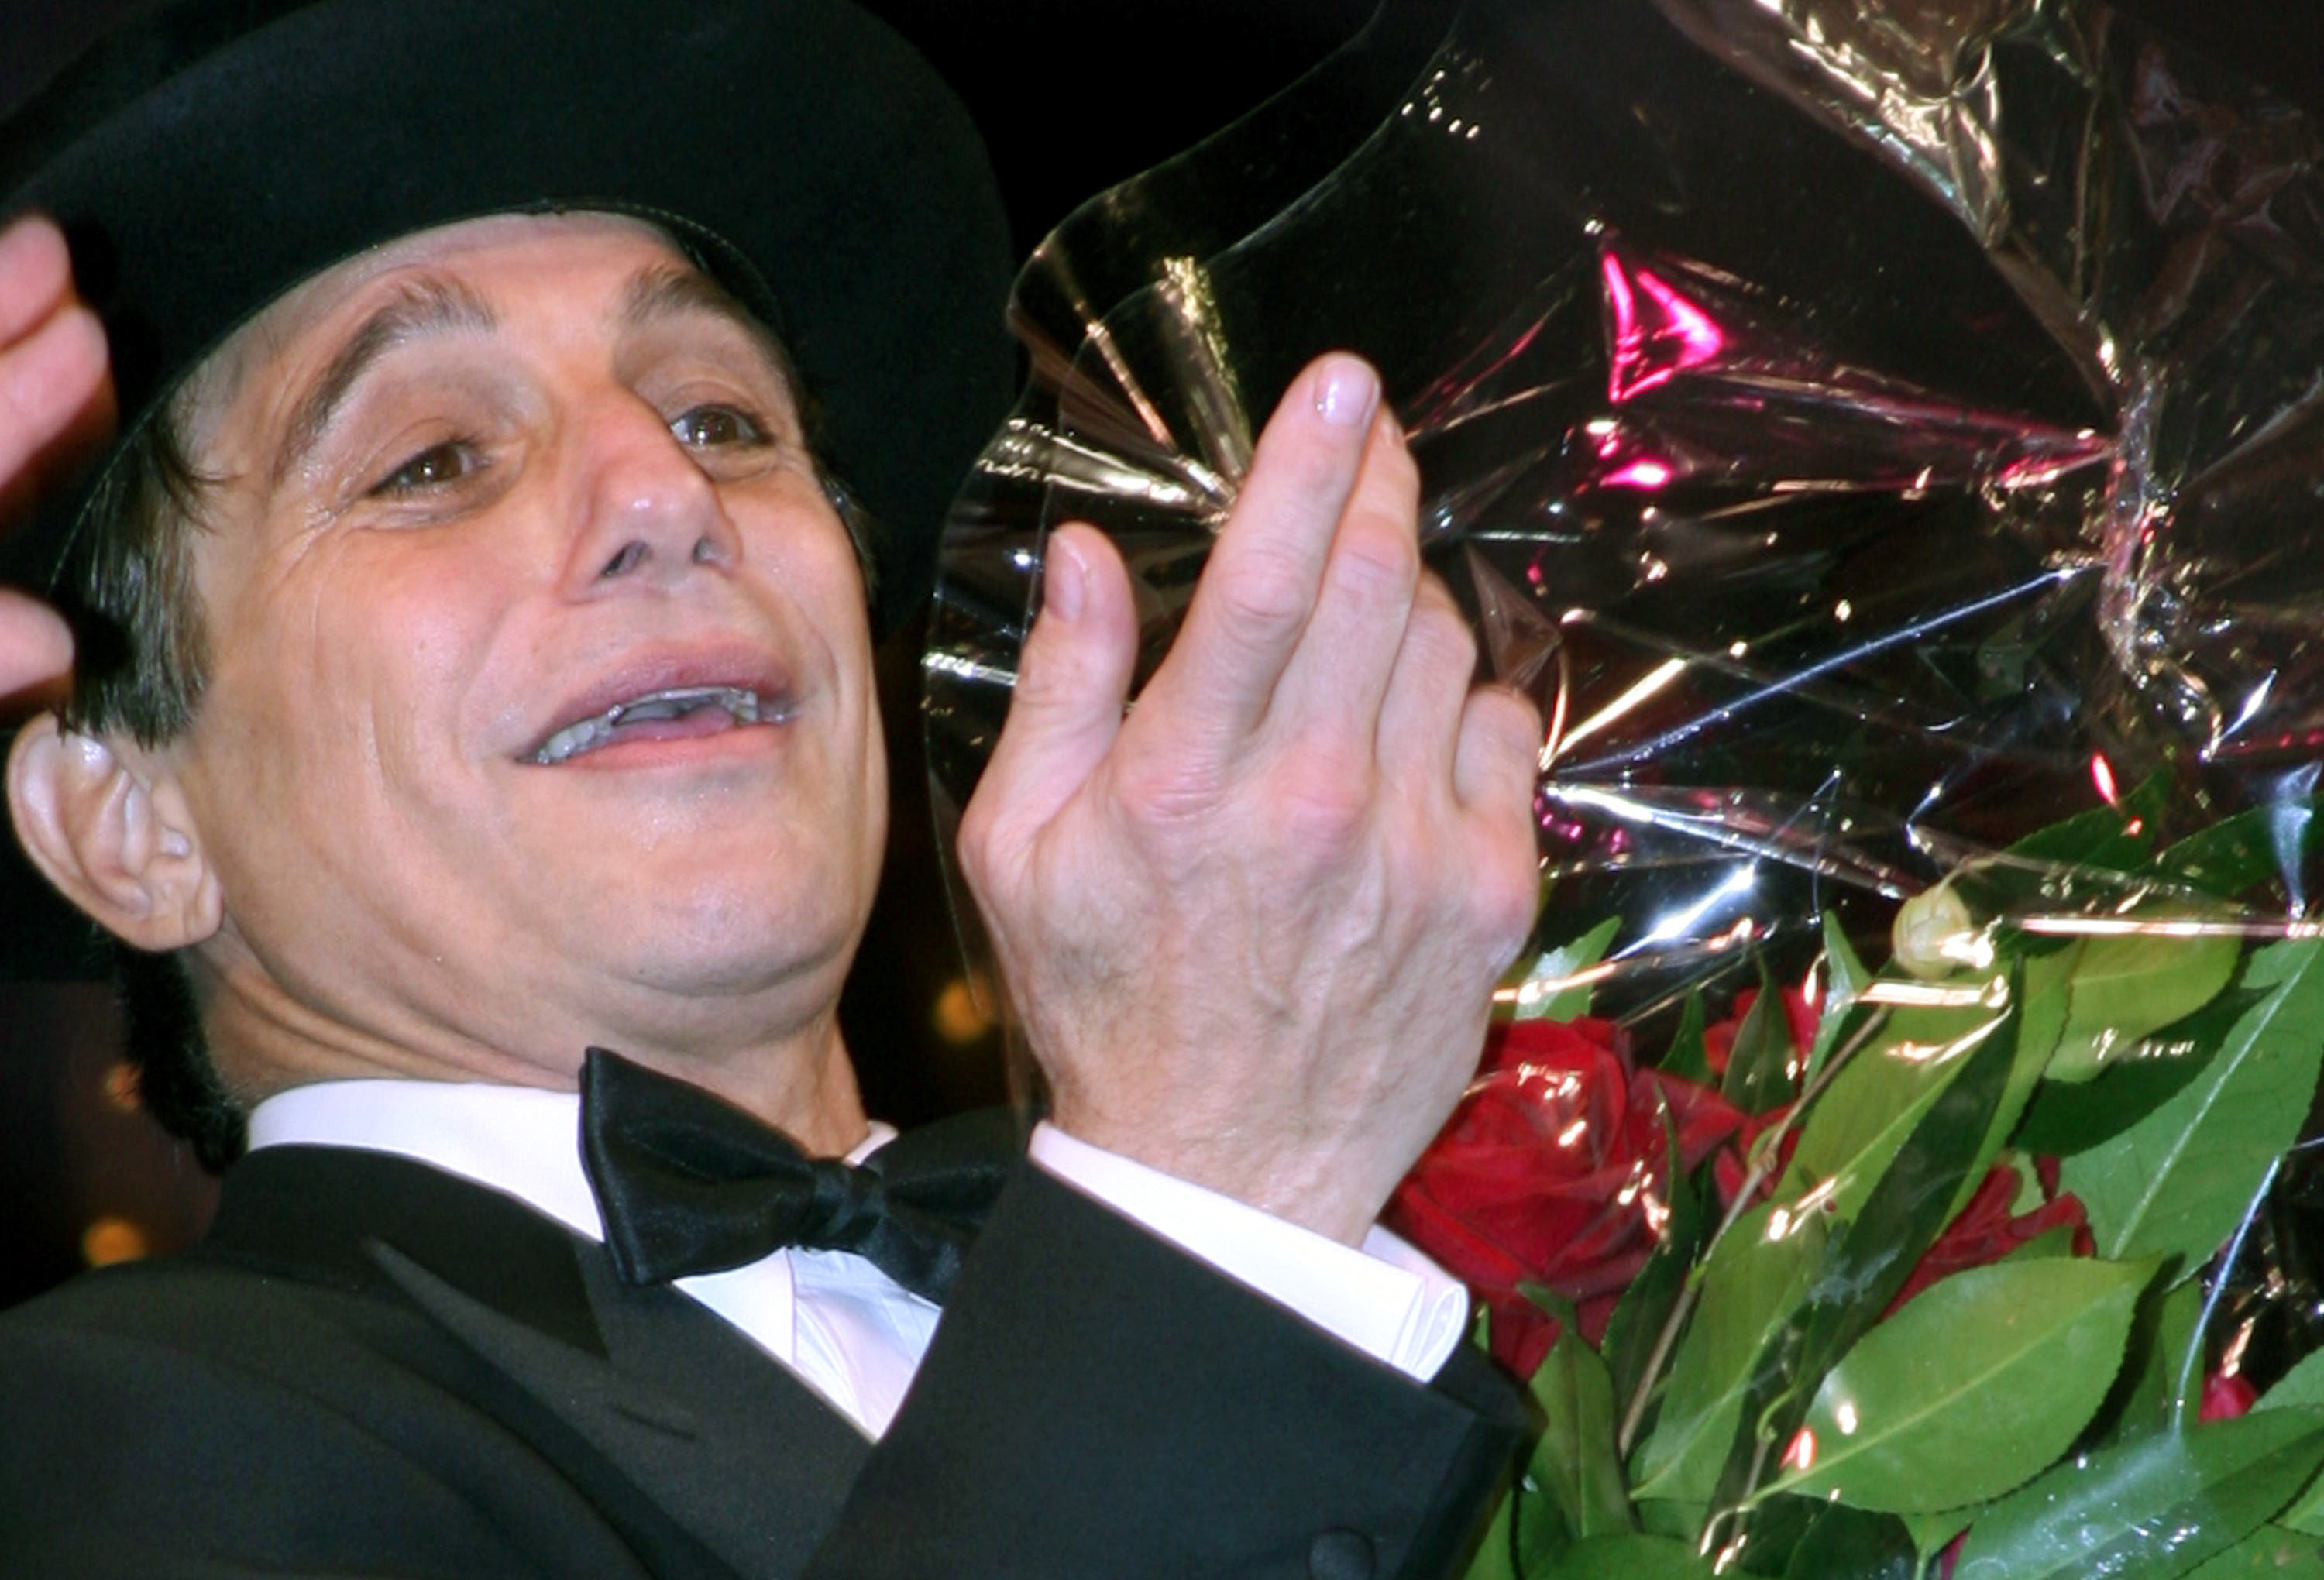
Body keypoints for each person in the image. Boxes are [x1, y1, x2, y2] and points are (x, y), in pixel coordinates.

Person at [0, 1, 1544, 1574]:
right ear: (125, 821)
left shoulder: (1409, 1280)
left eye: (724, 420)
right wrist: (1211, 1216)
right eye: (433, 460)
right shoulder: (84, 1443)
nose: (669, 495)